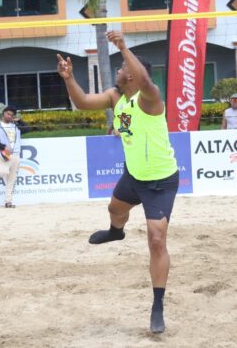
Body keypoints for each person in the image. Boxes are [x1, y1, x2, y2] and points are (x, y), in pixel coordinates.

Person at [57, 30, 179, 334]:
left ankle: (157, 306)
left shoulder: (150, 99)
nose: (120, 69)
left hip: (161, 181)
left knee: (156, 240)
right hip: (134, 175)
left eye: (125, 68)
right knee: (114, 208)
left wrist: (123, 46)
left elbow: (147, 82)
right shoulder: (117, 97)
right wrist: (68, 78)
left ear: (135, 77)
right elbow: (84, 102)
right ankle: (116, 232)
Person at [0, 105, 28, 208]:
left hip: (15, 155)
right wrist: (3, 146)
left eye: (12, 115)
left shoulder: (16, 126)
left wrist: (19, 121)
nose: (9, 116)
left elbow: (27, 129)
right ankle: (8, 199)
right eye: (8, 114)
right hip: (4, 154)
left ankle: (8, 202)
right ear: (3, 113)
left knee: (11, 180)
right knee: (2, 173)